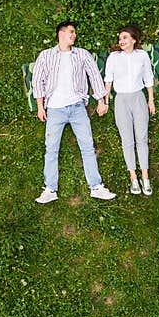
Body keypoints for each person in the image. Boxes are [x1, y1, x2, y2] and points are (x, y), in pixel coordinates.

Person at [31, 20, 116, 204]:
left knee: (87, 147)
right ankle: (50, 189)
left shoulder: (82, 54)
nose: (74, 35)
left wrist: (101, 100)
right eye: (71, 32)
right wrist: (40, 106)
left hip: (77, 107)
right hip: (54, 109)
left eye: (75, 32)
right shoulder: (45, 56)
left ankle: (96, 187)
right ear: (60, 34)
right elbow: (37, 81)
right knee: (51, 149)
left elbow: (94, 75)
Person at [104, 24, 155, 196]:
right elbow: (108, 80)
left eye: (125, 38)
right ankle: (133, 177)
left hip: (138, 98)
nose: (121, 41)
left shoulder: (142, 56)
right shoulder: (113, 57)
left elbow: (148, 77)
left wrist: (151, 100)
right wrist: (105, 101)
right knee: (127, 140)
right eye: (120, 38)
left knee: (142, 138)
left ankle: (145, 178)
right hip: (121, 100)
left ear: (134, 39)